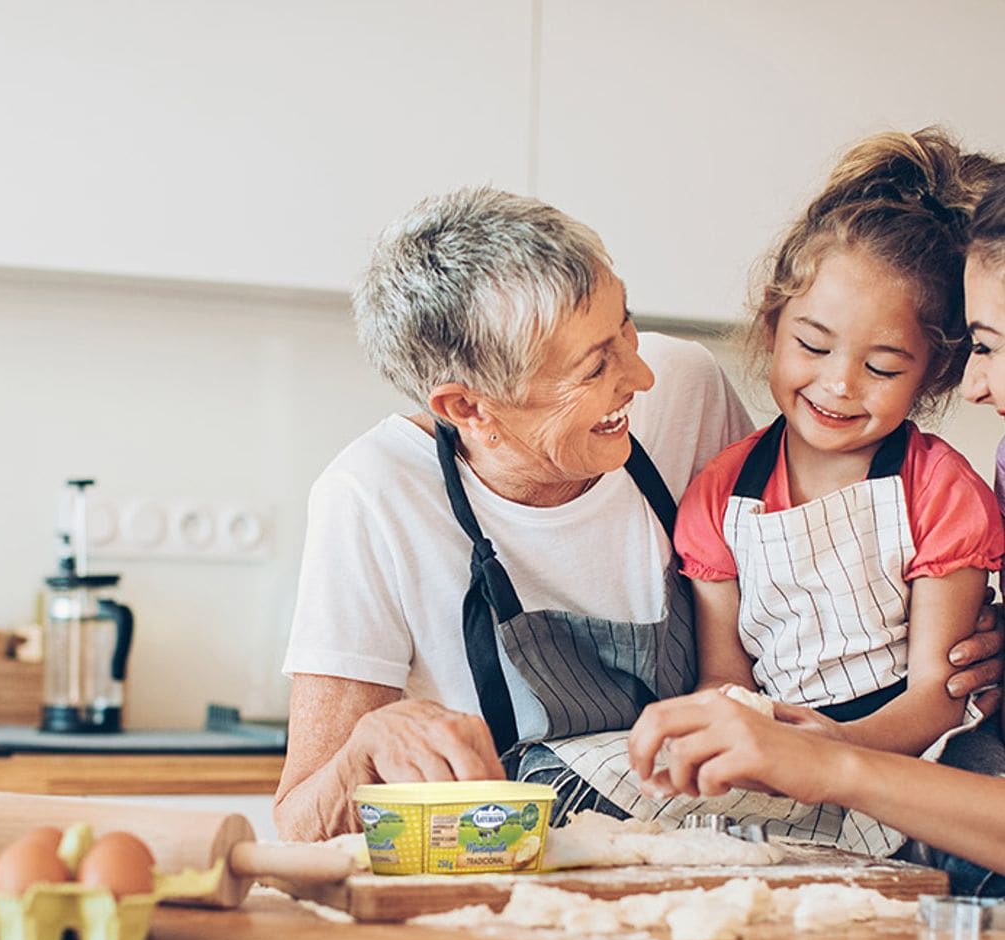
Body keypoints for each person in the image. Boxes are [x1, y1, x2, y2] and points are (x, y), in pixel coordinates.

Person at [274, 185, 1000, 842]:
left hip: (719, 842)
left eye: (626, 327)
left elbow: (804, 582)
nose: (641, 374)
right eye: (596, 367)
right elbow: (299, 820)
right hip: (526, 869)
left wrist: (956, 644)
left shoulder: (682, 389)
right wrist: (369, 749)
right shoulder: (371, 497)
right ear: (468, 407)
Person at [629, 169, 1005, 893]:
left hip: (921, 763)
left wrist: (829, 752)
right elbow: (724, 677)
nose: (839, 385)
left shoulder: (939, 489)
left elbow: (941, 692)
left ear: (929, 375)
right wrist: (744, 737)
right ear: (772, 325)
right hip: (788, 753)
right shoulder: (721, 495)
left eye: (883, 366)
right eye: (814, 346)